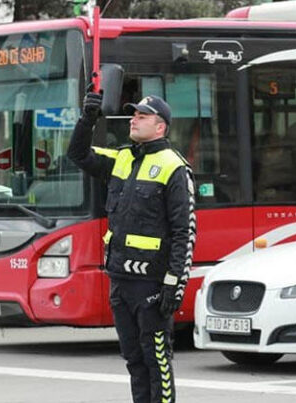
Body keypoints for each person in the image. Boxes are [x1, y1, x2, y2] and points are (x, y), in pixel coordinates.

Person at [68, 91, 196, 403]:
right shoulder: (122, 158)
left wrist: (174, 284)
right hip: (121, 282)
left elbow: (185, 232)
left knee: (157, 362)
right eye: (133, 114)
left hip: (151, 283)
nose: (133, 119)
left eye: (142, 115)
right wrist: (87, 119)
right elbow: (78, 154)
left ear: (160, 126)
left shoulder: (173, 167)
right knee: (135, 362)